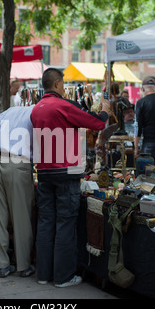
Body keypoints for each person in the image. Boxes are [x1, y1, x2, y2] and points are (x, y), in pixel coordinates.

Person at [30, 68, 109, 288]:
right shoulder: (63, 105)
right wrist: (105, 109)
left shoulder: (36, 109)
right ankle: (63, 277)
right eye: (63, 85)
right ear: (56, 84)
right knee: (65, 223)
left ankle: (44, 274)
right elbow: (98, 123)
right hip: (66, 171)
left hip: (44, 172)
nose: (64, 89)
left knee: (46, 222)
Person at [0, 105, 36, 278]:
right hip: (18, 163)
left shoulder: (7, 112)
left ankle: (2, 265)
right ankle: (24, 265)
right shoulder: (36, 113)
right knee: (22, 217)